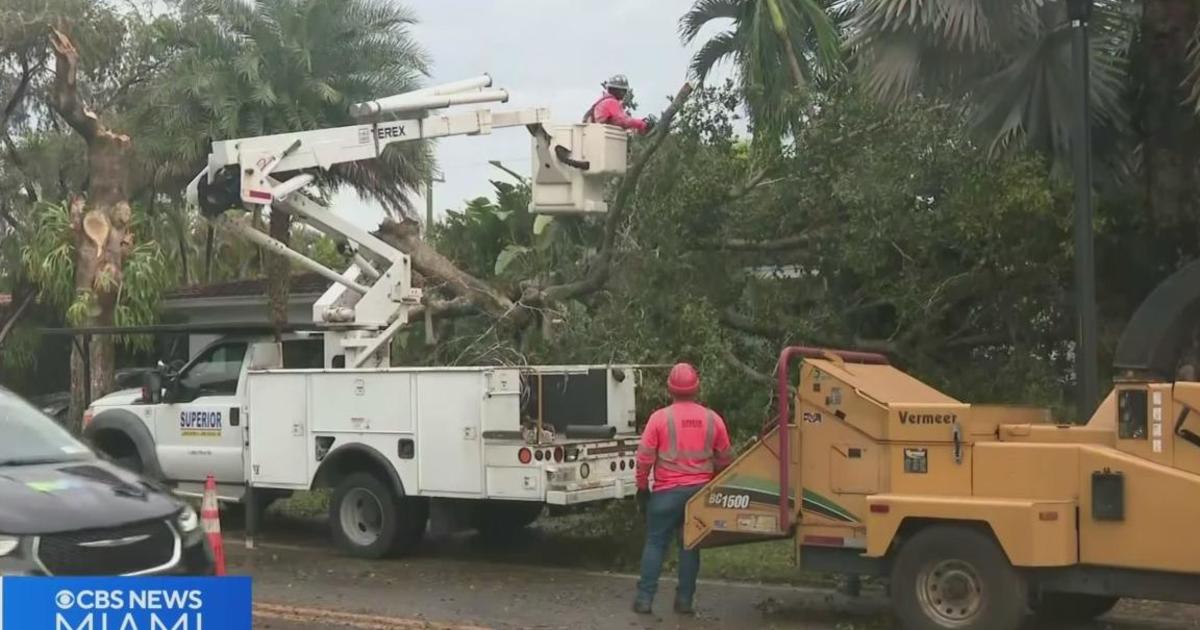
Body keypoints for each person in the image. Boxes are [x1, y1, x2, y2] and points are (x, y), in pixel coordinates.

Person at [632, 362, 733, 616]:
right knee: (690, 546)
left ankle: (645, 600)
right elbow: (726, 460)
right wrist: (715, 483)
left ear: (670, 389)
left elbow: (644, 458)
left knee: (655, 543)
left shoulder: (659, 419)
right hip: (700, 493)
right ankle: (685, 601)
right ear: (697, 388)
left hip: (666, 494)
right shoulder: (713, 419)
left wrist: (642, 488)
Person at [583, 74, 654, 134]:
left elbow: (618, 121)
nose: (624, 94)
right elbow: (623, 121)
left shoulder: (603, 101)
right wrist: (642, 124)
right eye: (623, 91)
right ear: (616, 90)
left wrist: (639, 125)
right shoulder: (611, 102)